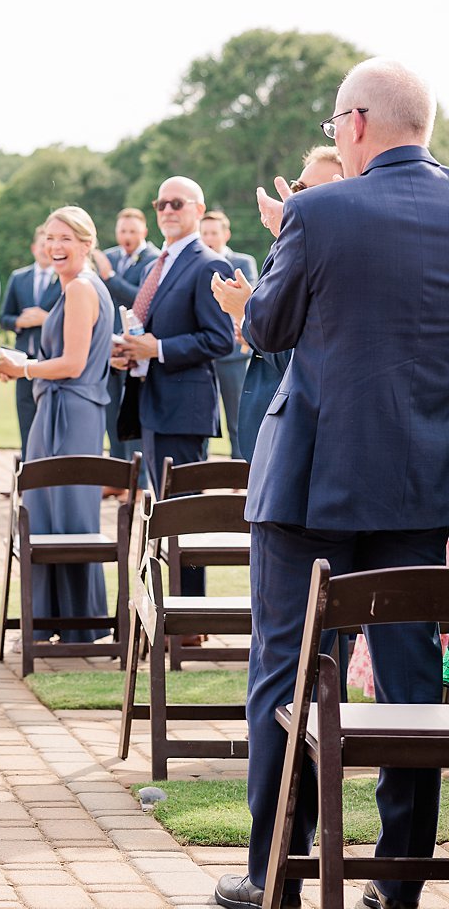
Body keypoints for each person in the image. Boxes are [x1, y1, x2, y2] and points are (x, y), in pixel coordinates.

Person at [213, 59, 448, 909]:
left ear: (355, 124)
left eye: (333, 128)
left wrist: (286, 243)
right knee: (410, 680)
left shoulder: (317, 212)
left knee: (286, 668)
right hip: (423, 485)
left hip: (312, 482)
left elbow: (268, 326)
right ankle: (399, 883)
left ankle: (274, 872)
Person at [0, 207, 114, 644]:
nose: (55, 246)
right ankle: (54, 621)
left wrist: (23, 369)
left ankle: (74, 625)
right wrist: (20, 362)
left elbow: (73, 364)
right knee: (50, 512)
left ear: (86, 244)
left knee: (67, 515)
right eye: (50, 237)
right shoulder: (75, 287)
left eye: (66, 239)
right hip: (62, 408)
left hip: (70, 414)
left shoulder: (80, 288)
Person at [111, 176, 233, 603]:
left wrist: (158, 348)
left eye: (176, 203)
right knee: (162, 516)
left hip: (184, 410)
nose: (166, 210)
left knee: (187, 517)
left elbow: (220, 339)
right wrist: (131, 354)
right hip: (150, 402)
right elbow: (147, 332)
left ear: (198, 209)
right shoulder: (154, 265)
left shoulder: (209, 264)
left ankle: (191, 614)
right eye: (160, 204)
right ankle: (167, 610)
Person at [212, 146, 342, 464]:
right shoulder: (287, 247)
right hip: (270, 426)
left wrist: (246, 312)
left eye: (311, 193)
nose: (297, 199)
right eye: (298, 188)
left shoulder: (331, 263)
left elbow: (301, 359)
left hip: (298, 435)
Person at [96, 208, 159, 497]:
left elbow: (140, 298)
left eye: (133, 231)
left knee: (133, 414)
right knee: (111, 413)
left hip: (137, 348)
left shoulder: (154, 259)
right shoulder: (107, 256)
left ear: (144, 231)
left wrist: (109, 276)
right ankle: (117, 478)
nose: (127, 236)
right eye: (122, 231)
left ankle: (139, 481)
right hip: (108, 347)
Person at [197, 211, 257, 461]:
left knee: (237, 420)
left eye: (213, 233)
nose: (209, 238)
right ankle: (198, 473)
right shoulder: (196, 264)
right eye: (204, 233)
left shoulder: (242, 262)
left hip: (234, 355)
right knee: (201, 421)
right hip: (203, 354)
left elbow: (249, 299)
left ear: (226, 234)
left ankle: (239, 473)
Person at [0, 225, 60, 457]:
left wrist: (47, 319)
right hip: (22, 359)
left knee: (51, 418)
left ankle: (51, 469)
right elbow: (4, 317)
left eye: (49, 244)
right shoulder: (19, 278)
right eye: (42, 244)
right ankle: (28, 469)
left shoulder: (64, 279)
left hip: (53, 358)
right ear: (34, 248)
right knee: (26, 416)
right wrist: (19, 321)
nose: (45, 249)